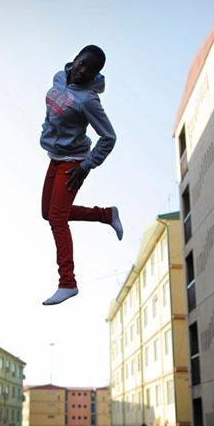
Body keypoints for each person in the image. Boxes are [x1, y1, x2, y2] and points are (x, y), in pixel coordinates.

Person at [39, 45, 123, 306]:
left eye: (91, 70)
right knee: (48, 212)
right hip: (55, 157)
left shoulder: (89, 100)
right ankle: (106, 214)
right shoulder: (58, 78)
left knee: (56, 219)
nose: (83, 71)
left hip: (74, 163)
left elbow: (109, 137)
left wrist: (86, 166)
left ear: (96, 75)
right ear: (74, 60)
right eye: (82, 63)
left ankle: (67, 282)